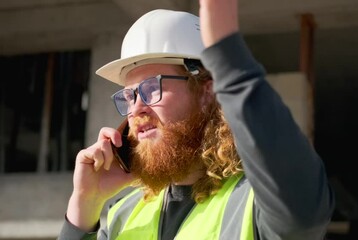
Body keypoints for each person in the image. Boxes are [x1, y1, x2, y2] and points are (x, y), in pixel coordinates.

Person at [58, 0, 335, 239]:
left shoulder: (254, 205)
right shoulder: (123, 216)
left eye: (152, 88)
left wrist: (229, 58)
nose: (136, 109)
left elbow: (303, 208)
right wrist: (85, 203)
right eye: (129, 96)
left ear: (207, 93)